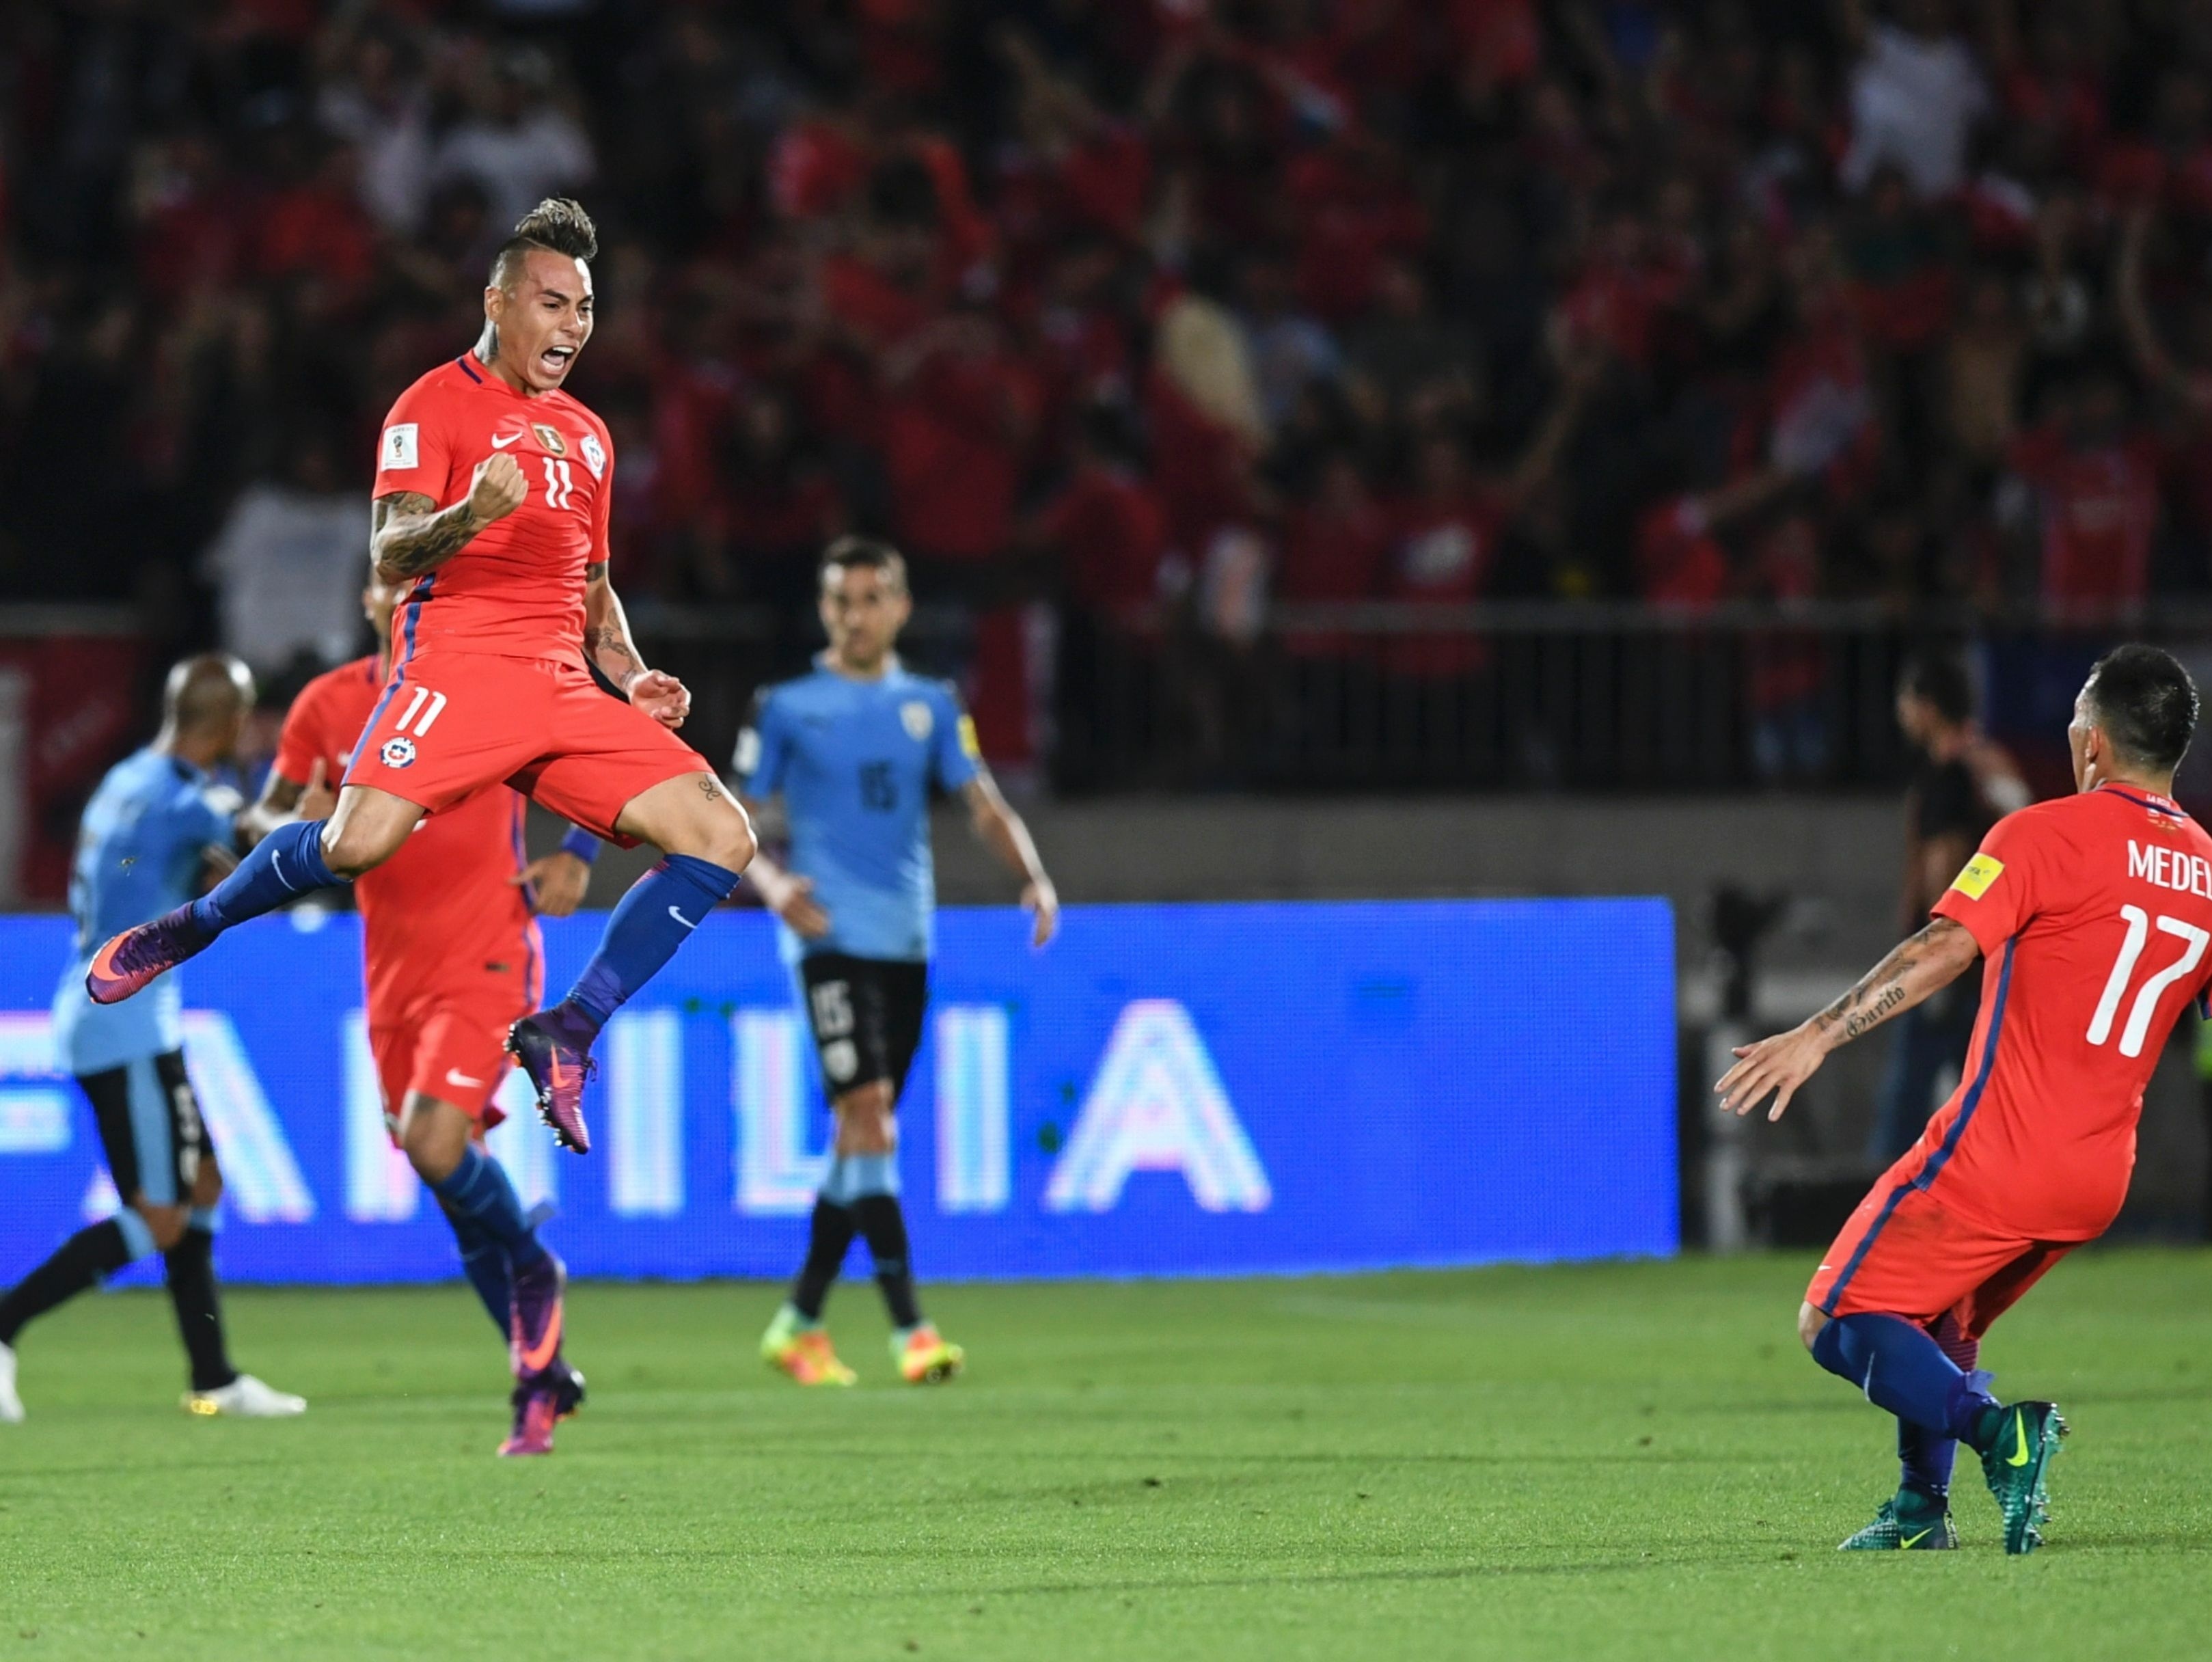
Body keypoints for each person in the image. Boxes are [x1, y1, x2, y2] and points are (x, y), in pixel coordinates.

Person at [84, 197, 757, 1195]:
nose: (572, 327)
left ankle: (567, 1027)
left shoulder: (589, 436)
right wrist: (467, 514)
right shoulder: (430, 406)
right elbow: (391, 549)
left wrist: (629, 670)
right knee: (355, 844)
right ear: (497, 303)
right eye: (551, 303)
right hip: (460, 666)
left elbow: (591, 585)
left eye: (583, 308)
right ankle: (195, 925)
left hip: (563, 686)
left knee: (722, 836)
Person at [1717, 644, 2212, 1555]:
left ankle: (1999, 1433)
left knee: (1834, 1317)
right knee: (1937, 1317)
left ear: (2093, 743)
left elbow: (1943, 946)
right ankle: (1919, 1510)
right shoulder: (2207, 871)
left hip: (2002, 1151)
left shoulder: (2041, 835)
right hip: (2096, 1176)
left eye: (2074, 719)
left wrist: (1816, 1035)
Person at [238, 571, 593, 1454]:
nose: (407, 595)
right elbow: (265, 814)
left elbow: (607, 747)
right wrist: (289, 823)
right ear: (369, 599)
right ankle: (536, 1381)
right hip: (392, 973)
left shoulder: (503, 680)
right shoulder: (327, 705)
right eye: (395, 578)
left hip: (489, 951)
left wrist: (580, 850)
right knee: (451, 1182)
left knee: (437, 1145)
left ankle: (533, 1266)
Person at [738, 537, 1059, 1387]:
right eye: (842, 598)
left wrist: (1030, 876)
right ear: (825, 608)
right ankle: (911, 1328)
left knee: (861, 1137)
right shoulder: (786, 704)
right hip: (826, 940)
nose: (856, 613)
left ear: (901, 608)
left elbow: (982, 801)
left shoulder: (930, 702)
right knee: (872, 1118)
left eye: (872, 597)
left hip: (907, 942)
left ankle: (799, 1319)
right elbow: (734, 821)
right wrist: (770, 880)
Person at [0, 657, 305, 1424]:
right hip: (124, 1020)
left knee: (201, 1184)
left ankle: (216, 1377)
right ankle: (4, 1325)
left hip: (111, 1001)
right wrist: (313, 818)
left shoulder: (127, 776)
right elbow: (255, 834)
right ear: (232, 723)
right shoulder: (186, 796)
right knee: (161, 1211)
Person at [1871, 653, 2031, 1162]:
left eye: (1905, 699)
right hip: (1995, 955)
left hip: (1953, 956)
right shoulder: (1990, 763)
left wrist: (1938, 944)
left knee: (1907, 1093)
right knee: (1987, 1090)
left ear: (1926, 706)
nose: (1899, 712)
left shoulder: (1950, 773)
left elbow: (1945, 862)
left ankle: (1880, 1201)